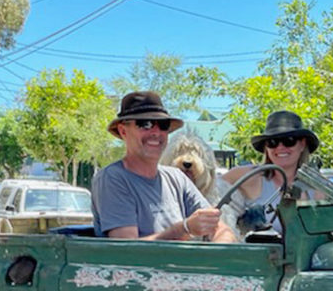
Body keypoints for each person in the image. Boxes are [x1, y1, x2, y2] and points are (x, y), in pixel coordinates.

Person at [92, 91, 236, 242]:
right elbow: (126, 249)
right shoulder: (113, 179)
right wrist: (184, 228)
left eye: (163, 125)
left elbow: (221, 228)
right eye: (145, 124)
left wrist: (221, 251)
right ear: (123, 131)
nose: (156, 132)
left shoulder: (177, 178)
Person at [220, 110, 319, 234]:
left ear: (302, 144)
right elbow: (207, 185)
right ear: (266, 148)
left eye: (289, 140)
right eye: (273, 142)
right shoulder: (247, 176)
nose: (280, 147)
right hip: (259, 252)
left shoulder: (318, 189)